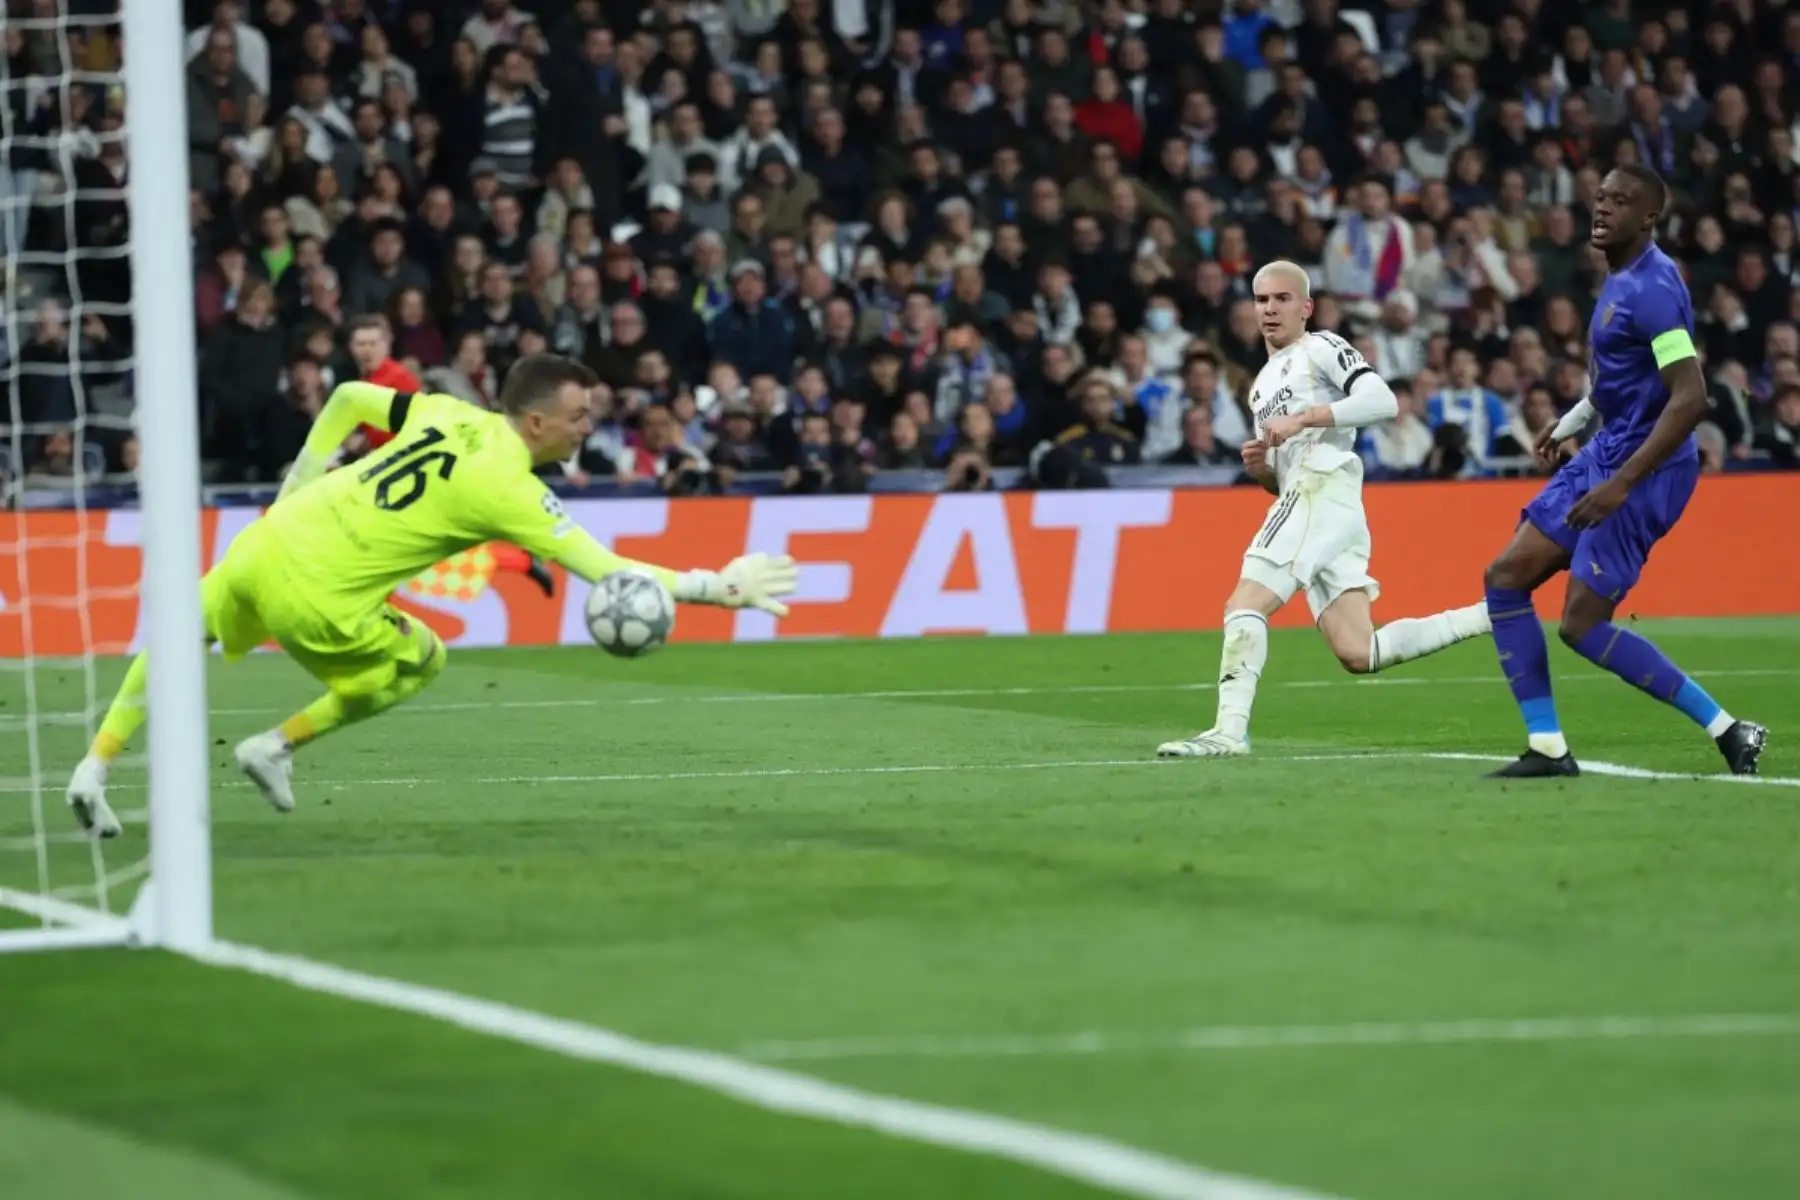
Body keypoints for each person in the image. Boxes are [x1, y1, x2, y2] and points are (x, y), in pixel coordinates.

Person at [64, 356, 798, 835]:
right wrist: (719, 588)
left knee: (181, 639)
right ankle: (275, 745)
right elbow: (608, 571)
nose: (589, 426)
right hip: (322, 599)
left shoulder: (449, 411)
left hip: (267, 542)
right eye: (579, 415)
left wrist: (300, 479)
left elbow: (349, 396)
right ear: (537, 421)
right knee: (421, 659)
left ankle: (94, 768)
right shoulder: (512, 489)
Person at [1479, 165, 1766, 778]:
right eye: (1600, 196)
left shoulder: (1654, 288)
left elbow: (1689, 397)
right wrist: (1574, 418)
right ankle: (1548, 747)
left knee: (1581, 625)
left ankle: (1728, 729)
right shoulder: (1620, 278)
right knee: (1506, 576)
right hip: (1610, 447)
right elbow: (1623, 375)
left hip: (1650, 467)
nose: (1603, 208)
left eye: (1620, 201)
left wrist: (1623, 483)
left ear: (1650, 217)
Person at [1156, 261, 1492, 759]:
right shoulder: (1260, 387)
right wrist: (1263, 471)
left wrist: (1307, 418)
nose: (1270, 308)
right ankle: (1493, 614)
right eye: (1262, 300)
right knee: (1360, 651)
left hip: (1324, 483)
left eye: (1282, 298)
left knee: (1244, 604)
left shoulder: (1322, 347)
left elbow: (1382, 400)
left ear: (1306, 307)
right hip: (1313, 499)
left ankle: (1228, 731)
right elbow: (1279, 481)